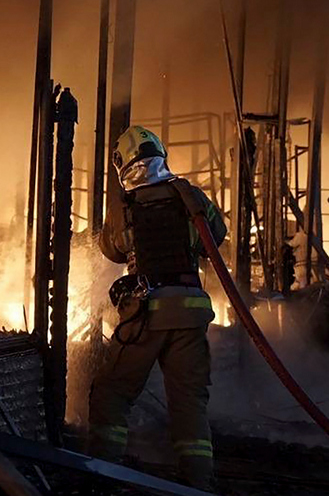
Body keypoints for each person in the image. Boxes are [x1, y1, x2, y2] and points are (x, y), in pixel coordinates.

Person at [87, 125, 227, 489]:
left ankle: (102, 474)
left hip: (147, 310)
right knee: (188, 401)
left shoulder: (125, 205)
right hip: (191, 311)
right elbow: (217, 234)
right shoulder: (190, 195)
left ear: (122, 163)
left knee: (112, 392)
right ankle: (198, 482)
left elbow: (112, 250)